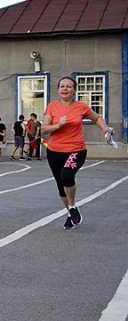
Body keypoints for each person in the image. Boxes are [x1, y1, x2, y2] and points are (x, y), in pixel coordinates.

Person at [42, 76, 114, 229]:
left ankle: (73, 206)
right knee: (60, 185)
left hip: (76, 149)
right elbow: (44, 129)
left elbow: (97, 118)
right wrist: (58, 125)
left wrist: (105, 129)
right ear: (58, 89)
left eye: (69, 86)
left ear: (74, 90)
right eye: (62, 86)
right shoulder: (52, 106)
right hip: (54, 151)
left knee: (67, 175)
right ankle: (70, 213)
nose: (65, 89)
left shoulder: (81, 107)